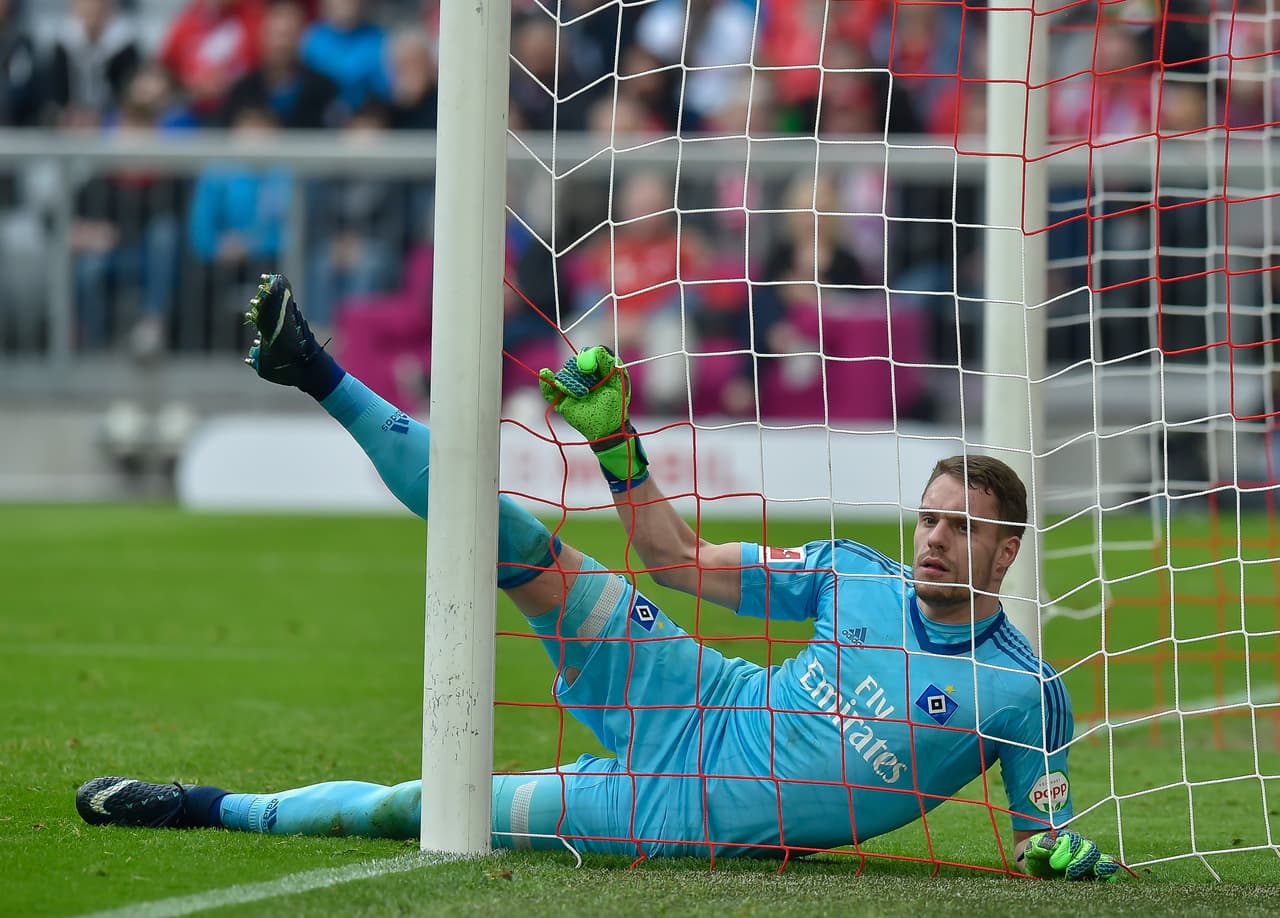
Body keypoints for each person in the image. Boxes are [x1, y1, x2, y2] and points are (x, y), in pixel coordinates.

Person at [74, 274, 1121, 881]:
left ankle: (205, 808)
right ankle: (317, 370)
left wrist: (1060, 855)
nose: (932, 538)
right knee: (521, 547)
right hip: (690, 693)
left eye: (958, 527)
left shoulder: (1022, 695)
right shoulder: (851, 575)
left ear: (1006, 549)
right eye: (928, 515)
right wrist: (617, 442)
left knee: (419, 808)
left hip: (671, 819)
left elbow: (1042, 835)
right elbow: (674, 563)